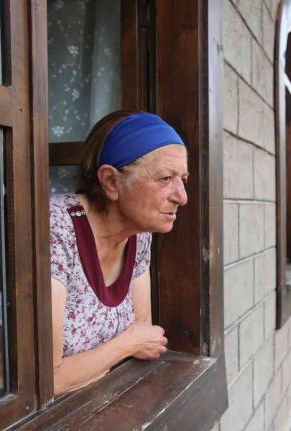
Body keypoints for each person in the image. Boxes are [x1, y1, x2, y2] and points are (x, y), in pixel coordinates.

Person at [50, 111, 188, 396]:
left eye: (182, 179)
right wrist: (126, 345)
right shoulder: (55, 228)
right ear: (111, 182)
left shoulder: (138, 234)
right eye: (165, 179)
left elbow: (145, 335)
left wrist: (130, 344)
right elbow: (49, 379)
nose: (182, 196)